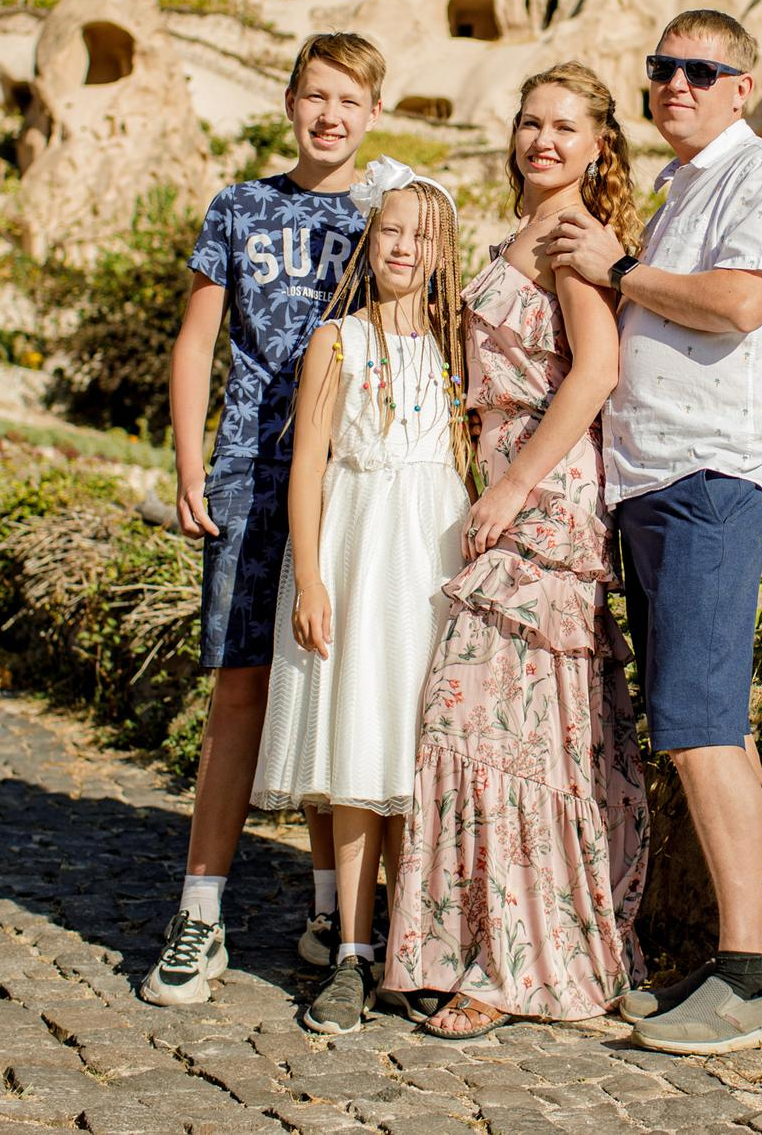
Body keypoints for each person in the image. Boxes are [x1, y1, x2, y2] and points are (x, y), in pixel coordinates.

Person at [537, 10, 762, 1056]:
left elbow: (740, 302)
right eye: (662, 68)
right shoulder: (678, 190)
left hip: (710, 475)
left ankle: (748, 978)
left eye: (702, 70)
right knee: (695, 725)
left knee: (703, 728)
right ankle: (729, 965)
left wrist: (620, 269)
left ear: (743, 87)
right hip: (652, 483)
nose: (677, 84)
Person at [383, 62, 652, 1039]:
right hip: (504, 481)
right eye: (531, 122)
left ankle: (509, 964)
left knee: (486, 719)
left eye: (565, 127)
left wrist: (510, 488)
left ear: (597, 145)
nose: (543, 139)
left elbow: (596, 372)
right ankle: (484, 949)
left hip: (545, 494)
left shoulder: (573, 238)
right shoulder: (521, 233)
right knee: (511, 724)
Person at [145, 33, 384, 1007]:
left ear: (373, 113)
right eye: (316, 96)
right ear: (289, 103)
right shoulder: (239, 207)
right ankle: (199, 914)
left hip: (352, 479)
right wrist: (190, 461)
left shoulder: (384, 214)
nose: (331, 115)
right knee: (239, 688)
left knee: (335, 683)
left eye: (350, 100)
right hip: (252, 465)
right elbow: (197, 339)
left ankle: (332, 910)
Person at [254, 161, 473, 1034]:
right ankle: (350, 947)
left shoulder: (456, 350)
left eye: (422, 236)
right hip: (355, 548)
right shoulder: (336, 341)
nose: (404, 248)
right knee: (356, 746)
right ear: (369, 239)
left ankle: (409, 948)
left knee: (412, 757)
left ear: (442, 252)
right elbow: (307, 463)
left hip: (428, 561)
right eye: (391, 231)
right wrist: (310, 576)